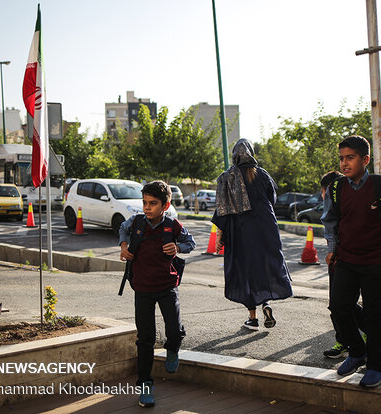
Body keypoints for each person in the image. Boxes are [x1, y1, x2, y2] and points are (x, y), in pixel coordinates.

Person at [321, 135, 381, 388]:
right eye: (341, 159)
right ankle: (357, 351)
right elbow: (330, 221)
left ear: (365, 159)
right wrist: (332, 248)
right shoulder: (336, 188)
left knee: (374, 315)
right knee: (338, 307)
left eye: (350, 158)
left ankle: (376, 368)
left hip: (378, 260)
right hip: (346, 258)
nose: (344, 164)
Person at [119, 180, 196, 407]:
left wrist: (178, 247)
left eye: (153, 203)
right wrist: (123, 246)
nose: (147, 207)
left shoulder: (173, 226)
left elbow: (190, 242)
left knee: (174, 330)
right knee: (145, 340)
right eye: (145, 203)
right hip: (142, 289)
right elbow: (122, 229)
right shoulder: (136, 222)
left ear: (165, 205)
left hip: (167, 288)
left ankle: (173, 349)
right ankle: (145, 386)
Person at [212, 138, 293, 331]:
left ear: (234, 155)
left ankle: (252, 318)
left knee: (244, 271)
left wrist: (218, 237)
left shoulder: (226, 177)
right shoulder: (262, 174)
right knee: (265, 266)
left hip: (240, 231)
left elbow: (221, 210)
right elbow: (271, 199)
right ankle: (266, 303)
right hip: (266, 228)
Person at [320, 170, 367, 359]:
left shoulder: (342, 202)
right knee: (338, 305)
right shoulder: (337, 203)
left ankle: (364, 332)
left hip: (347, 258)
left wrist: (333, 251)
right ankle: (344, 340)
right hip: (339, 258)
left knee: (341, 304)